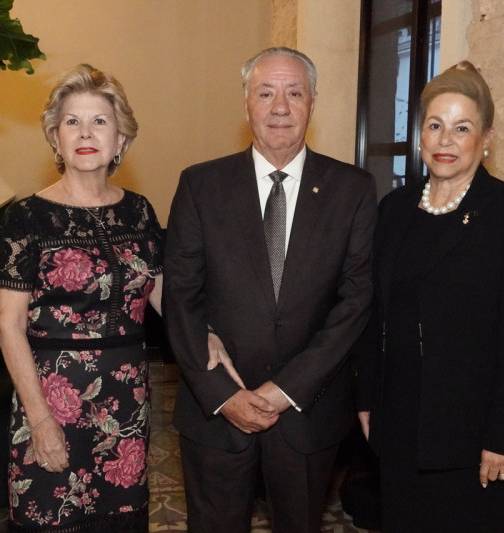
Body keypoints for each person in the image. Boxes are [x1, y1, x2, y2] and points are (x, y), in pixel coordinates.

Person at [163, 47, 377, 533]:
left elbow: (355, 300)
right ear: (246, 104)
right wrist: (224, 395)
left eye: (294, 92)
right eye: (266, 92)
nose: (280, 106)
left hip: (308, 415)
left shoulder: (354, 189)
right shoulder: (200, 185)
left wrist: (286, 390)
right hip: (215, 412)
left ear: (312, 102)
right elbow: (181, 295)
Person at [356, 60, 504, 532]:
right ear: (421, 134)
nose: (446, 141)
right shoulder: (395, 209)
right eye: (435, 126)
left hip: (476, 436)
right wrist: (366, 400)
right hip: (399, 424)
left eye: (462, 128)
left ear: (485, 138)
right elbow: (372, 311)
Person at [0, 64, 162, 532]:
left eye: (100, 121)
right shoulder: (26, 218)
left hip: (127, 403)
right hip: (51, 401)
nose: (85, 133)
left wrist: (214, 339)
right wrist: (42, 422)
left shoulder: (140, 211)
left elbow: (170, 301)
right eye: (72, 122)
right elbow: (8, 326)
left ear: (121, 139)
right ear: (55, 137)